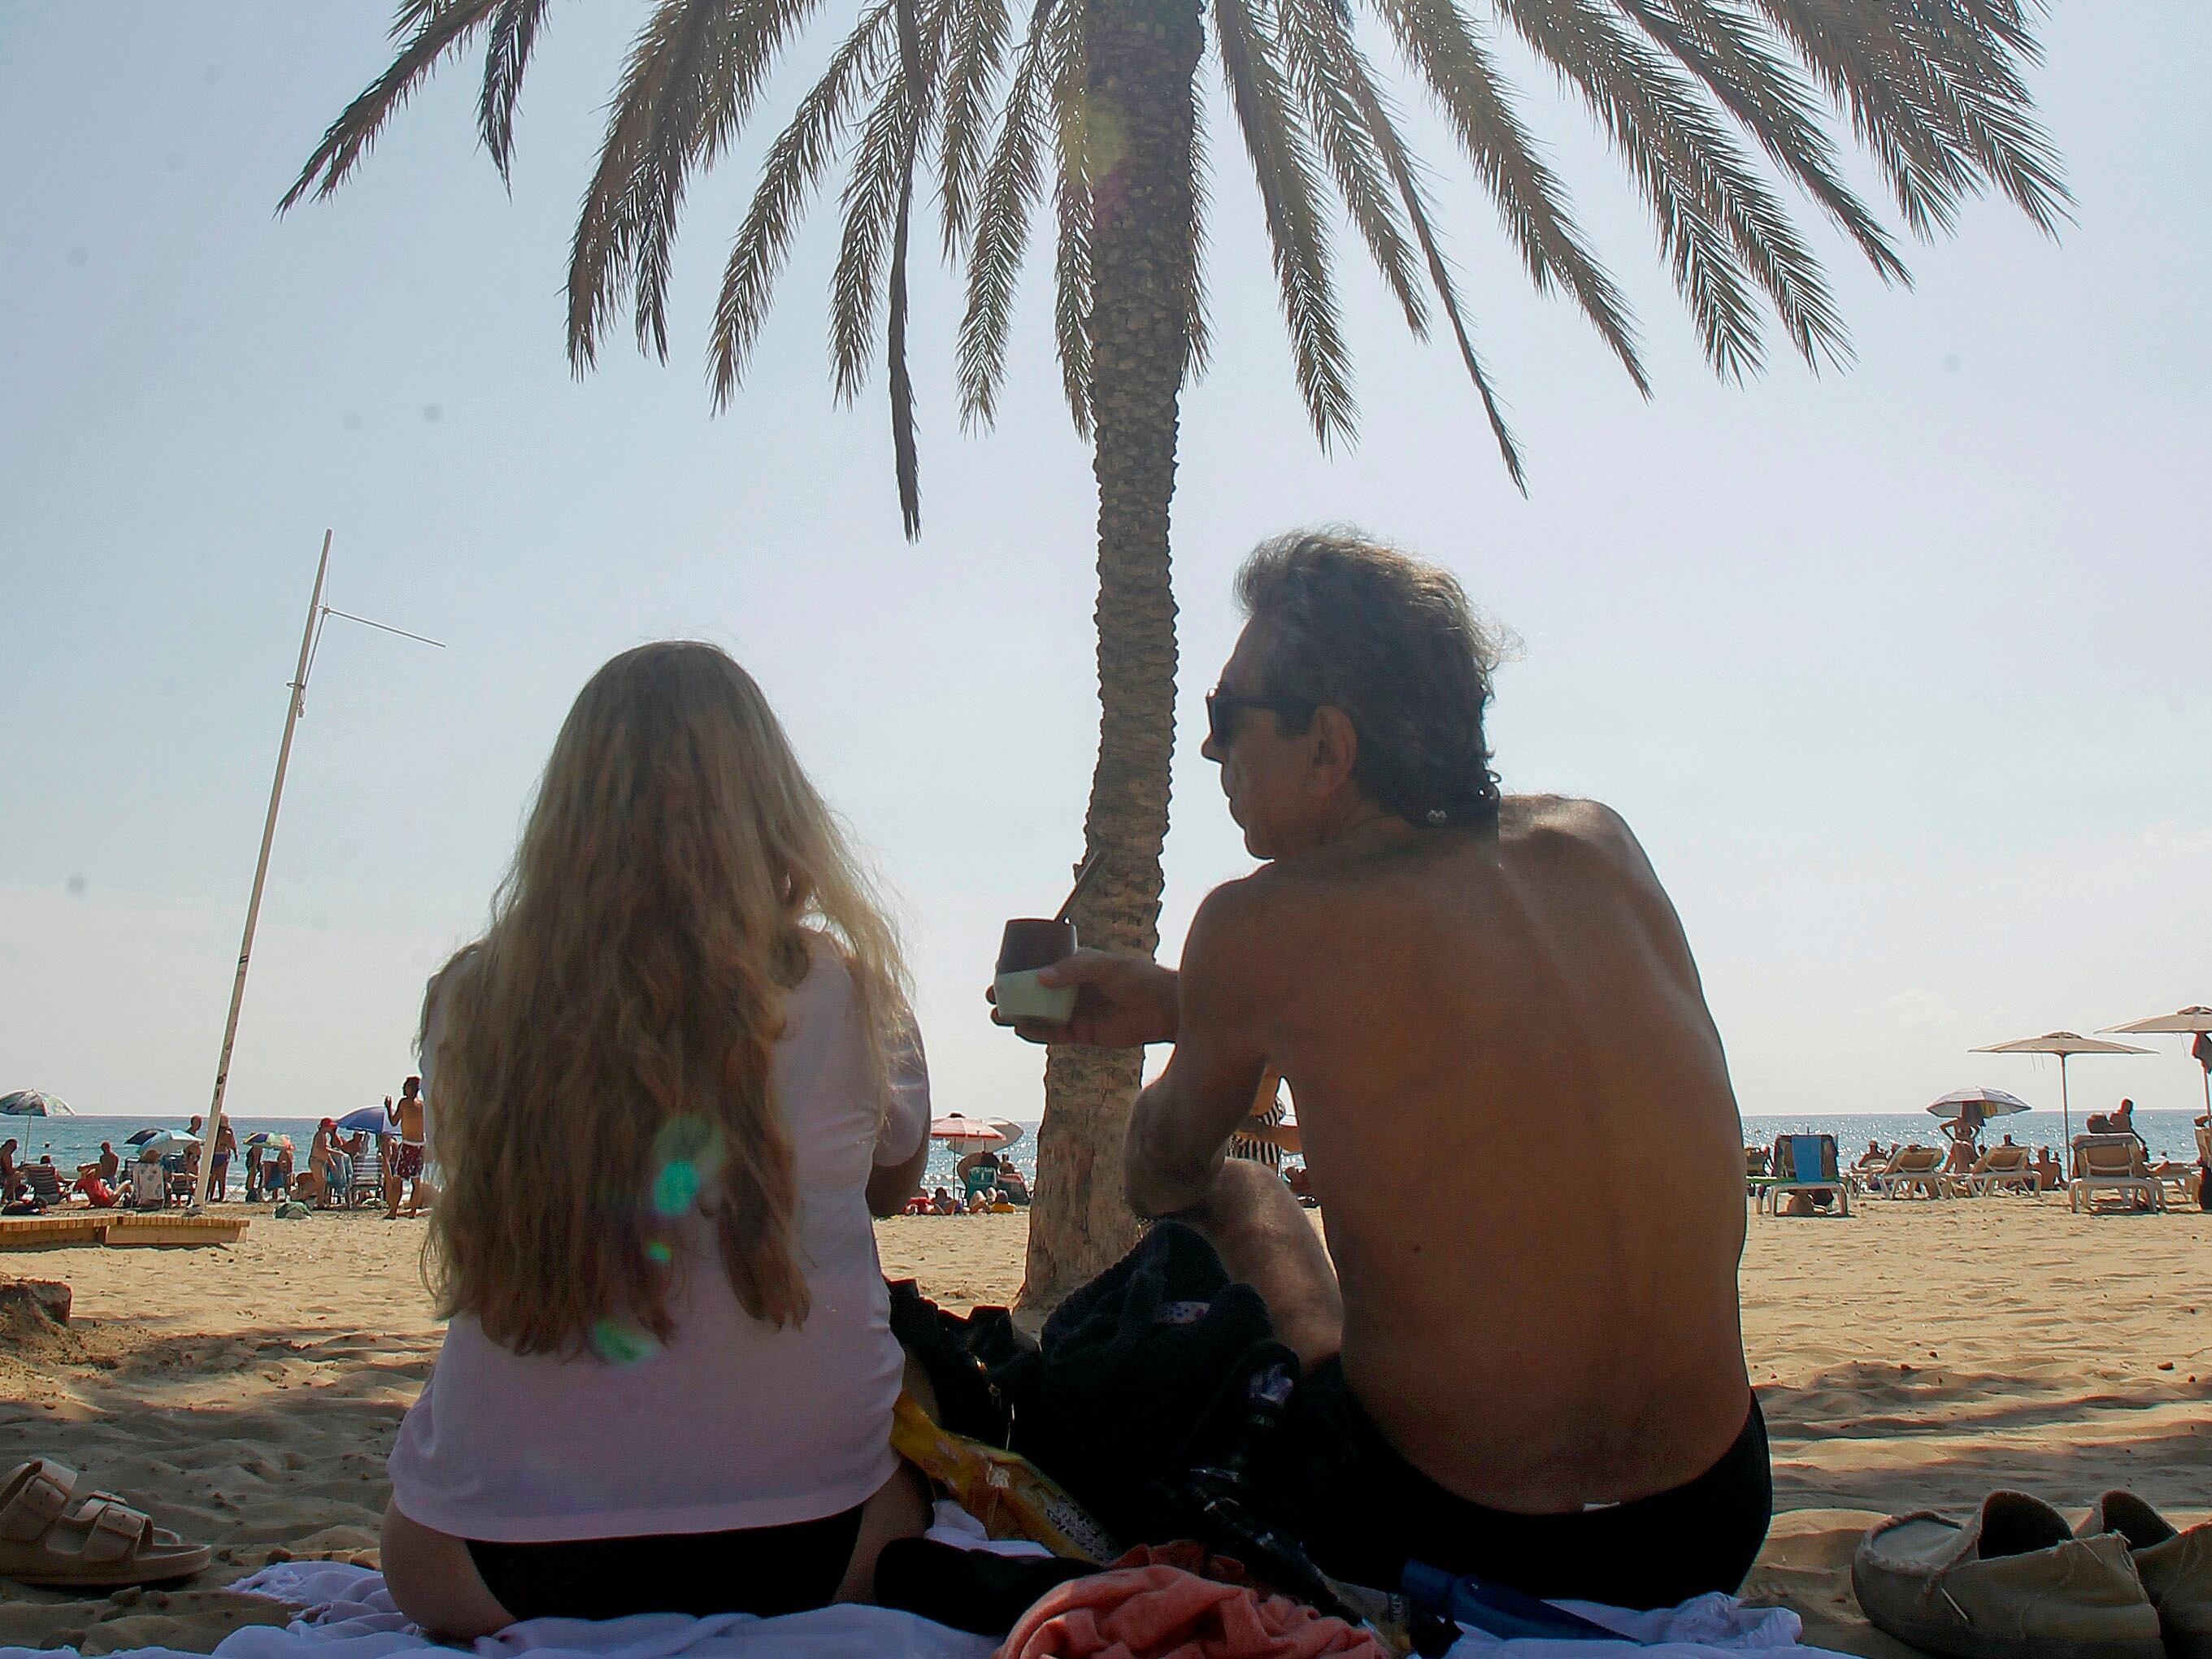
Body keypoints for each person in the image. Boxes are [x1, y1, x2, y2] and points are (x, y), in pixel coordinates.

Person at [999, 532, 1767, 1612]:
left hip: (1467, 1530)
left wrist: (1201, 1023)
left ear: (1328, 747)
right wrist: (1194, 1004)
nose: (1211, 750)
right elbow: (1484, 1028)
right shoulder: (1598, 843)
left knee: (1242, 1187)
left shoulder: (1259, 924)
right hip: (1712, 1510)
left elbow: (1156, 1173)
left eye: (1227, 716)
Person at [377, 641, 932, 1639]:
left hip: (491, 1563)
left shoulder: (473, 1001)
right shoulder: (848, 993)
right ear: (772, 810)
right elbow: (889, 1188)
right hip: (818, 1548)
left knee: (423, 1513)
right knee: (920, 1364)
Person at [388, 1075, 428, 1218]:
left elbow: (394, 1121)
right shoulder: (422, 1105)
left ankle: (393, 1212)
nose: (404, 1089)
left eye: (406, 1086)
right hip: (420, 1145)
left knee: (398, 1179)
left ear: (412, 1088)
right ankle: (412, 1212)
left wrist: (388, 1108)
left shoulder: (404, 1103)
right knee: (416, 1180)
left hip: (409, 1145)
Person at [211, 1119, 237, 1202]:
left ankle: (210, 1196)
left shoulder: (214, 1132)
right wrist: (235, 1153)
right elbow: (233, 1144)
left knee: (213, 1177)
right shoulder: (228, 1133)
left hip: (215, 1154)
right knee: (221, 1178)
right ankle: (220, 1197)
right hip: (222, 1153)